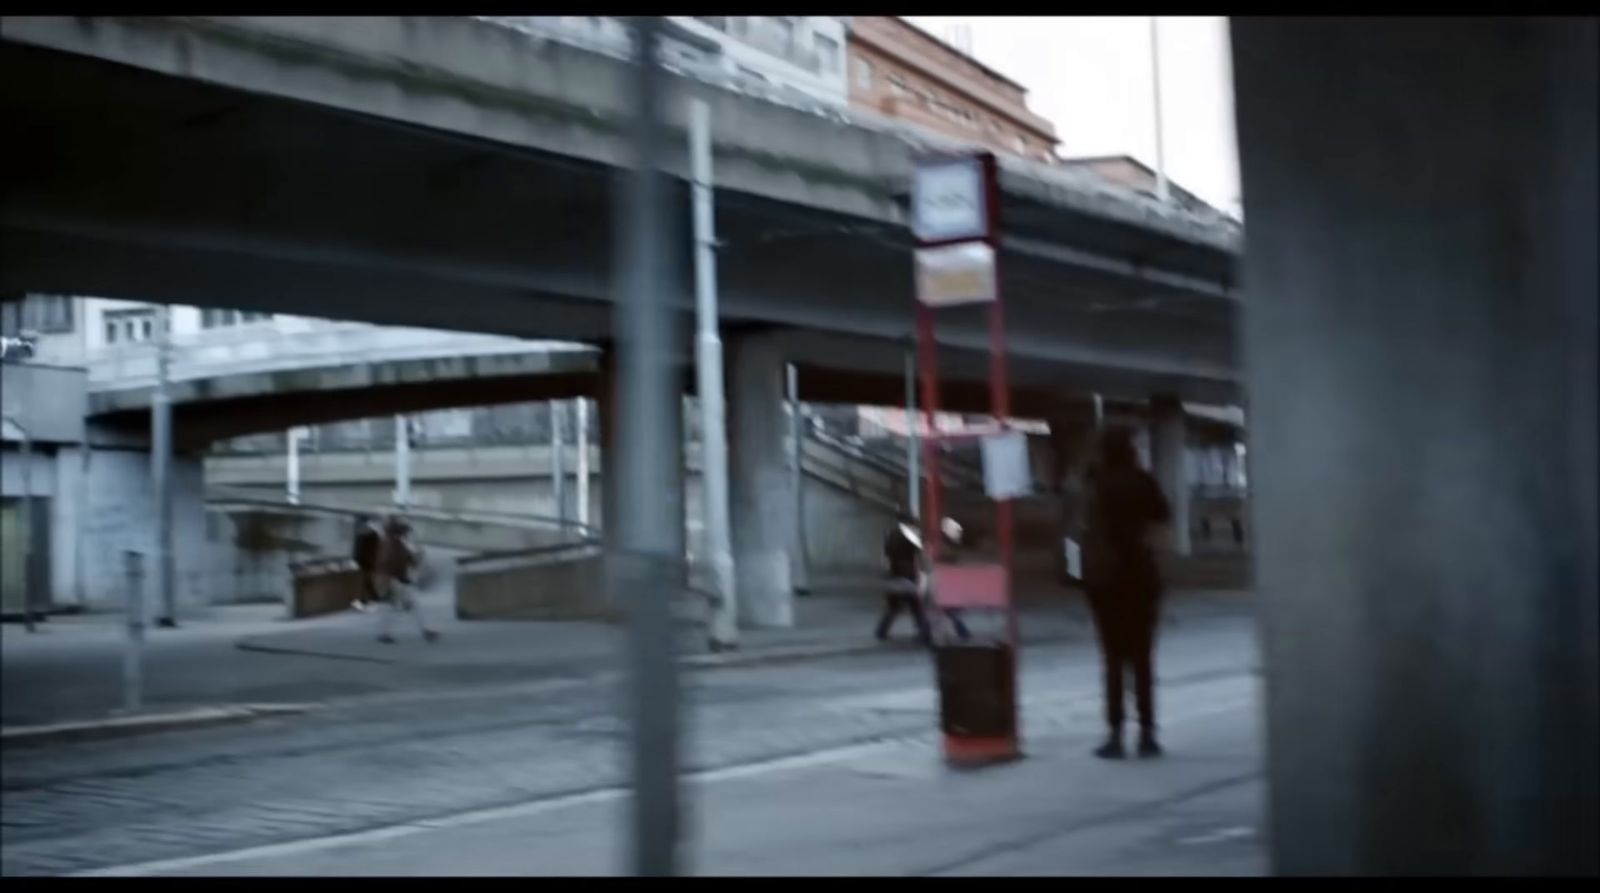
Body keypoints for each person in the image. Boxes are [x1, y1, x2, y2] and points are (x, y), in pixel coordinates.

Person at [1082, 425, 1172, 759]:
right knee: (1143, 658)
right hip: (1142, 578)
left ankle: (1115, 734)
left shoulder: (1095, 484)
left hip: (1106, 582)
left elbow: (1083, 529)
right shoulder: (1143, 481)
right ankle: (1148, 733)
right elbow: (1163, 519)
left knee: (1113, 659)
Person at [374, 515, 440, 644]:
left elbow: (410, 560)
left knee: (403, 606)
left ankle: (387, 633)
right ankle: (387, 633)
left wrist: (417, 557)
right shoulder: (392, 544)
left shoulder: (394, 543)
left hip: (397, 580)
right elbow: (390, 563)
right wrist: (416, 558)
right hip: (395, 580)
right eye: (405, 532)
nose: (407, 535)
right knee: (397, 607)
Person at [876, 512, 932, 644]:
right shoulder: (912, 536)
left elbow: (886, 555)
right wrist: (926, 569)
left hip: (893, 573)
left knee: (894, 605)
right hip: (907, 573)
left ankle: (881, 631)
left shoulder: (891, 534)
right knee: (916, 605)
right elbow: (922, 554)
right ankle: (925, 634)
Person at [350, 514, 384, 613]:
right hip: (368, 561)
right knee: (366, 581)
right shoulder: (372, 534)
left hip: (365, 561)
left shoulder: (363, 533)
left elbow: (359, 549)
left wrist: (356, 558)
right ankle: (371, 599)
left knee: (364, 581)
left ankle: (365, 601)